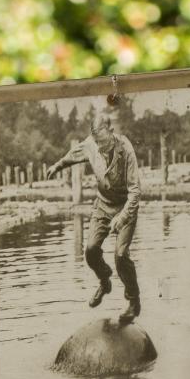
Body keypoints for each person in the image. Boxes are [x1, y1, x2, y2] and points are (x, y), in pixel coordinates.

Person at [48, 112, 141, 323]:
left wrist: (123, 216)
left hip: (126, 205)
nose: (100, 148)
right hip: (103, 205)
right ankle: (104, 280)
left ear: (111, 132)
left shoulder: (126, 149)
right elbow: (73, 154)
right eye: (97, 143)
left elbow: (136, 192)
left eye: (103, 142)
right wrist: (57, 165)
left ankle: (133, 301)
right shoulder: (92, 144)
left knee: (120, 255)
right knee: (90, 251)